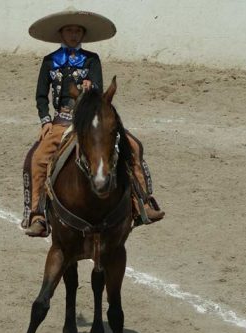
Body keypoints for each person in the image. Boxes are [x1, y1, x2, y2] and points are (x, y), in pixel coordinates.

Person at [21, 7, 164, 237]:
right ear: (61, 33)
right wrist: (45, 120)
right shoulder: (50, 61)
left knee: (134, 146)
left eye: (78, 30)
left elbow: (99, 93)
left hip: (90, 119)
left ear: (83, 34)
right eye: (69, 30)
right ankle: (37, 214)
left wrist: (92, 89)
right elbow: (41, 95)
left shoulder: (92, 60)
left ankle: (143, 202)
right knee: (36, 159)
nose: (74, 34)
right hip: (61, 121)